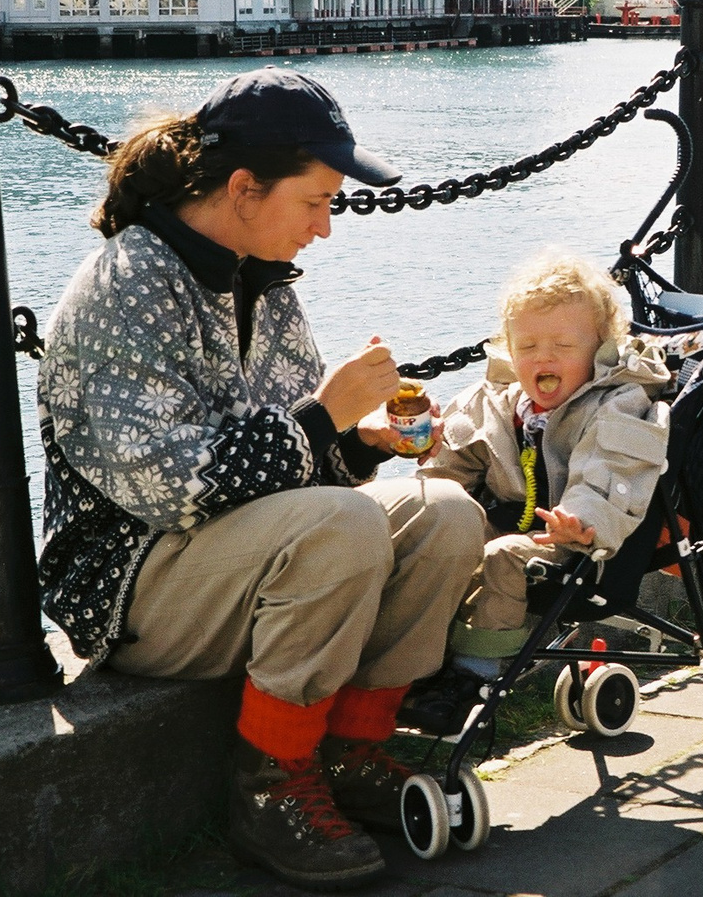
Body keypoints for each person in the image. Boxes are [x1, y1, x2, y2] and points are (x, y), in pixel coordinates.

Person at [35, 66, 487, 889]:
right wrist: (323, 417)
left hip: (231, 554)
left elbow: (295, 467)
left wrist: (361, 440)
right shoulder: (126, 284)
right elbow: (168, 487)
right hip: (129, 581)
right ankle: (271, 785)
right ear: (245, 188)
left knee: (444, 511)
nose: (326, 228)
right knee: (346, 525)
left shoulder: (260, 276)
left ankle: (353, 751)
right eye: (315, 202)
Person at [404, 251, 671, 733]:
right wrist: (428, 499)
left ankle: (475, 677)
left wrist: (581, 520)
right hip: (516, 521)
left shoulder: (618, 405)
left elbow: (611, 471)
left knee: (504, 554)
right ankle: (417, 660)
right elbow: (454, 467)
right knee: (446, 532)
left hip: (579, 541)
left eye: (562, 346)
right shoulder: (499, 401)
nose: (543, 358)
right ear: (508, 348)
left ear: (599, 349)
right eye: (527, 346)